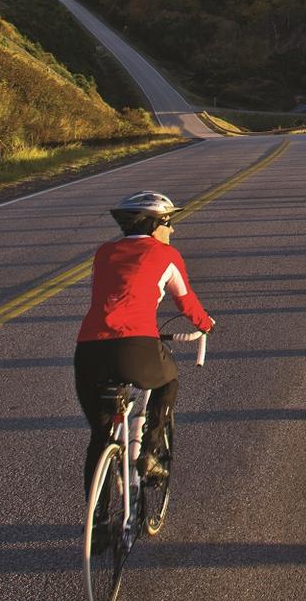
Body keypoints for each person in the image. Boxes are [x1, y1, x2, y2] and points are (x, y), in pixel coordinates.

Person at [74, 190, 215, 492]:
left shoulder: (104, 253)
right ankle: (150, 451)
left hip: (88, 350)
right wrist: (206, 325)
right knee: (168, 381)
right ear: (152, 225)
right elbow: (186, 301)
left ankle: (97, 528)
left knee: (99, 439)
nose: (172, 229)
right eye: (167, 222)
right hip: (135, 346)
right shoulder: (166, 255)